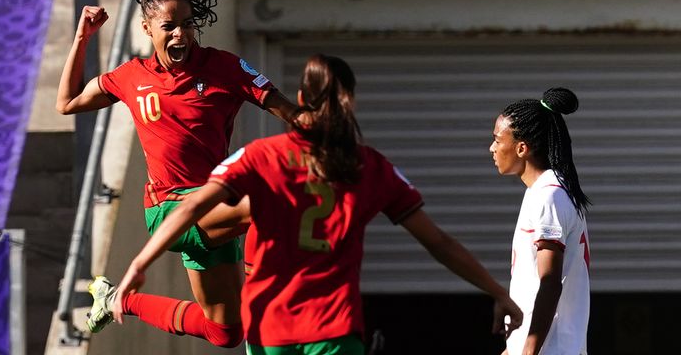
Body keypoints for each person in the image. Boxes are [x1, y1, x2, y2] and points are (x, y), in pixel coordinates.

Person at [112, 54, 523, 354]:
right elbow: (439, 243)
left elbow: (188, 208)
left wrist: (138, 265)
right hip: (334, 329)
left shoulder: (260, 156)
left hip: (271, 331)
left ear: (300, 97)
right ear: (351, 102)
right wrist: (496, 291)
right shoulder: (369, 166)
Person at [55, 0, 296, 347]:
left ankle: (116, 300)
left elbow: (284, 108)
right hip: (169, 212)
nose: (180, 34)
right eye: (169, 26)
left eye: (188, 24)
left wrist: (316, 126)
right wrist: (82, 38)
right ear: (148, 28)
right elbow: (68, 101)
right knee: (268, 202)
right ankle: (271, 307)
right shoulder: (132, 77)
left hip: (214, 207)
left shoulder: (223, 67)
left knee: (225, 332)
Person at [490, 88, 591, 355]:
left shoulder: (550, 196)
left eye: (497, 140)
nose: (492, 148)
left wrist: (528, 351)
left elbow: (549, 282)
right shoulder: (543, 192)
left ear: (521, 148)